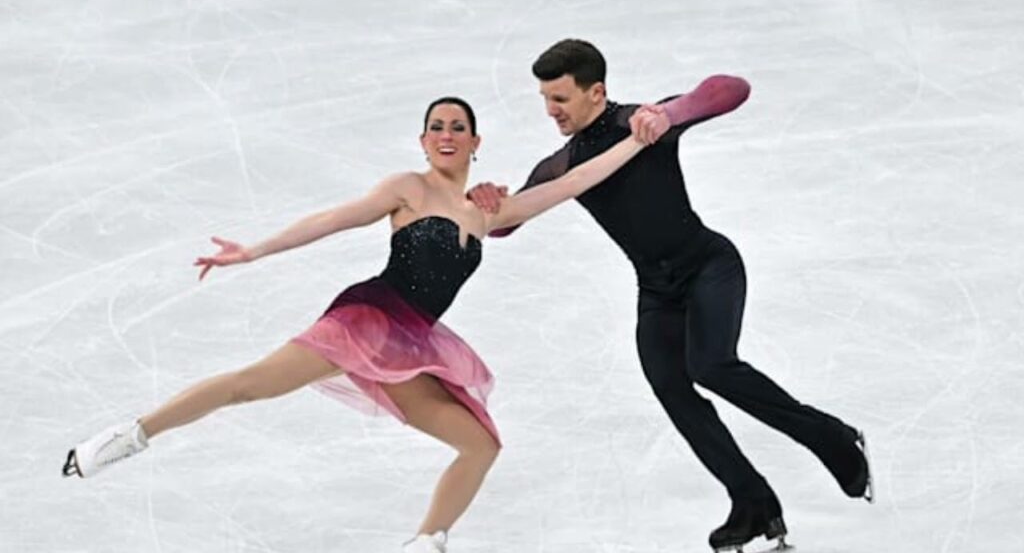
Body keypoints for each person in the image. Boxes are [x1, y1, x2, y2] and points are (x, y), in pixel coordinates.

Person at [62, 96, 648, 553]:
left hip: (412, 341)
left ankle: (427, 540)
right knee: (250, 385)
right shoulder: (407, 189)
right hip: (366, 318)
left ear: (476, 141)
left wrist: (637, 140)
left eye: (457, 127)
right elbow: (333, 219)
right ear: (423, 141)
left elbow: (571, 183)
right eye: (436, 127)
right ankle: (127, 437)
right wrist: (255, 251)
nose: (446, 135)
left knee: (479, 445)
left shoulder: (489, 211)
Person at [468, 39, 873, 552]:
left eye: (561, 98)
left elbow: (732, 89)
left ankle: (833, 438)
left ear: (597, 92)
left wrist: (669, 114)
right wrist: (486, 200)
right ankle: (752, 502)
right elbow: (508, 224)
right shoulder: (563, 163)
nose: (551, 110)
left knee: (712, 366)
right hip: (657, 292)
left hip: (708, 268)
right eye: (545, 99)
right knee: (671, 387)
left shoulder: (641, 124)